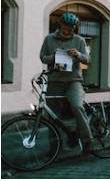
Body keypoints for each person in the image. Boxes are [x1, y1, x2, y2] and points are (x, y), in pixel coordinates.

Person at [39, 13, 93, 153]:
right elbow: (43, 57)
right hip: (55, 80)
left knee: (77, 107)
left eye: (70, 30)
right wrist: (55, 57)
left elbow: (87, 59)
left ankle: (88, 142)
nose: (67, 32)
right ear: (60, 25)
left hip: (73, 80)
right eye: (65, 29)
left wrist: (78, 55)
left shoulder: (79, 40)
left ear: (74, 28)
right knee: (52, 114)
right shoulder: (49, 39)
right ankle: (55, 147)